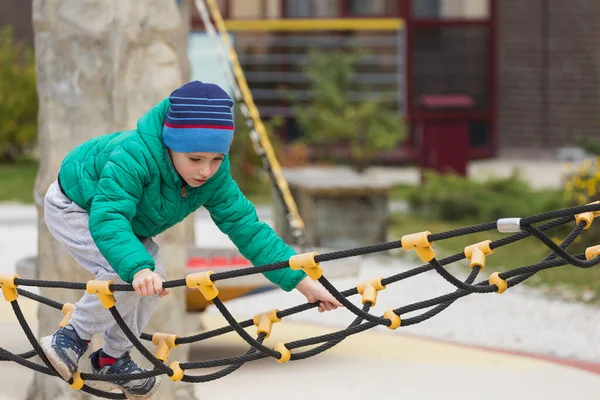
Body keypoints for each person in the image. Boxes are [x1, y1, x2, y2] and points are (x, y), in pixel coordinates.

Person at [40, 80, 342, 399]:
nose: (206, 171)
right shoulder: (134, 155)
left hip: (126, 223)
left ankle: (112, 359)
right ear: (170, 143)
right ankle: (71, 336)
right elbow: (109, 218)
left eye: (216, 159)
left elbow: (248, 228)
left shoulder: (214, 177)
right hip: (76, 206)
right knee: (127, 274)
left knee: (155, 282)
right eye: (195, 159)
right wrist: (138, 268)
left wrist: (300, 281)